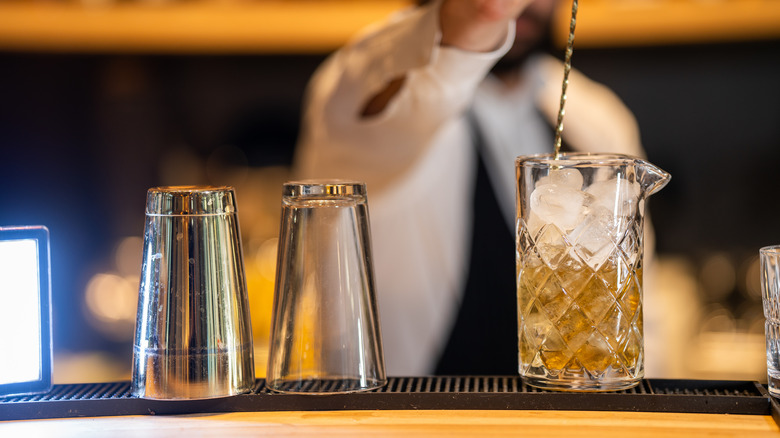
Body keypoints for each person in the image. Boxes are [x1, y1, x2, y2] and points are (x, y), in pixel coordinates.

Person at [293, 0, 645, 376]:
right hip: (404, 409)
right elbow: (428, 54)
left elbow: (639, 309)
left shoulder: (598, 117)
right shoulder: (372, 88)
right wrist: (481, 15)